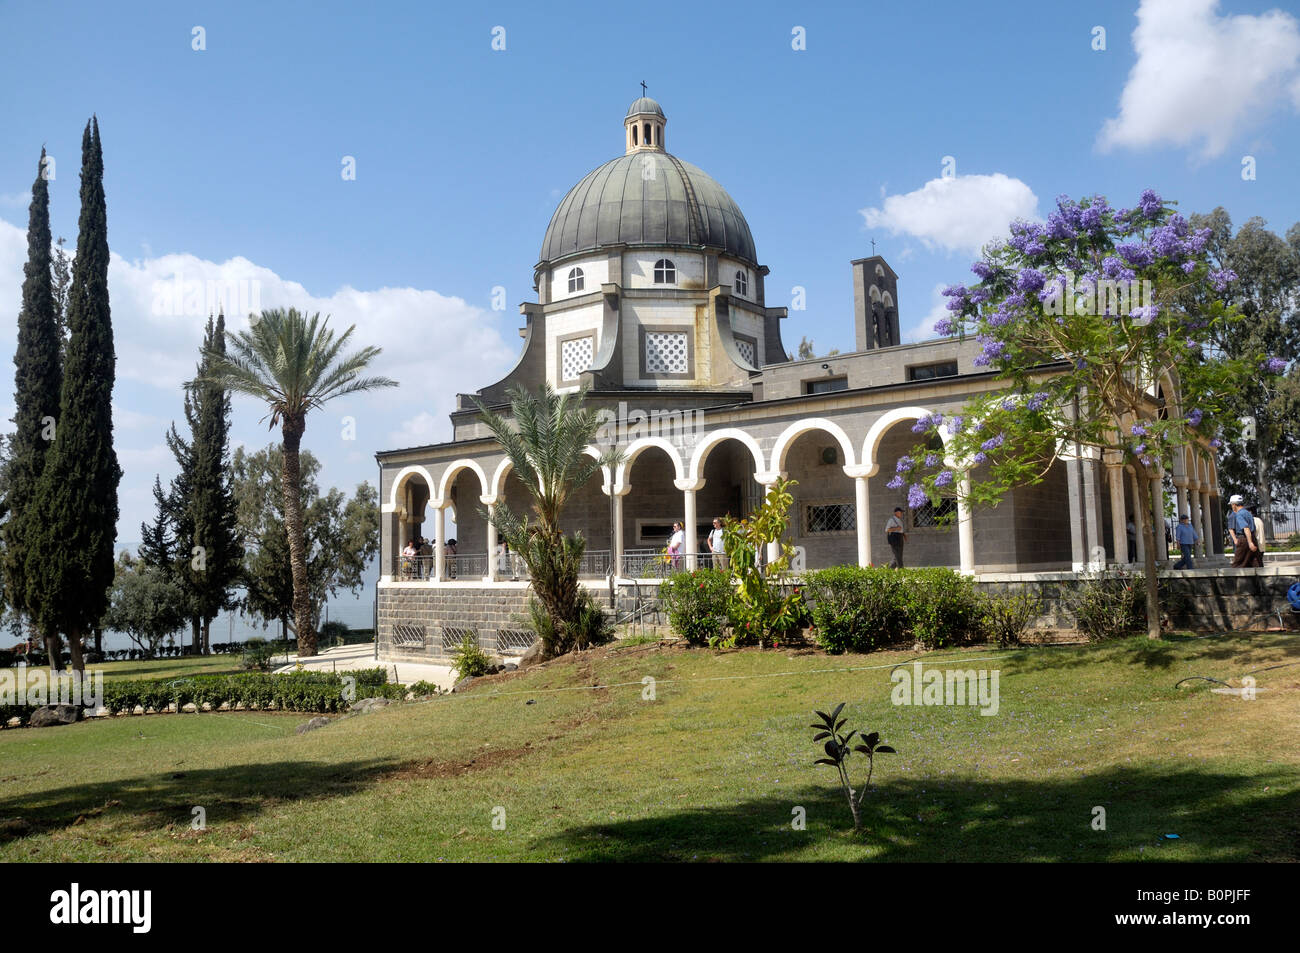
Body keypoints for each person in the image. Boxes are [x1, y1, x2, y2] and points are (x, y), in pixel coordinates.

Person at [1227, 495, 1258, 568]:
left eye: (1231, 505)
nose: (1232, 507)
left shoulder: (1239, 514)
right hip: (1252, 538)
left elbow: (1246, 528)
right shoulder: (1248, 513)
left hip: (1244, 539)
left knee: (1237, 564)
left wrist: (1249, 542)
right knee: (1250, 563)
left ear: (1234, 504)